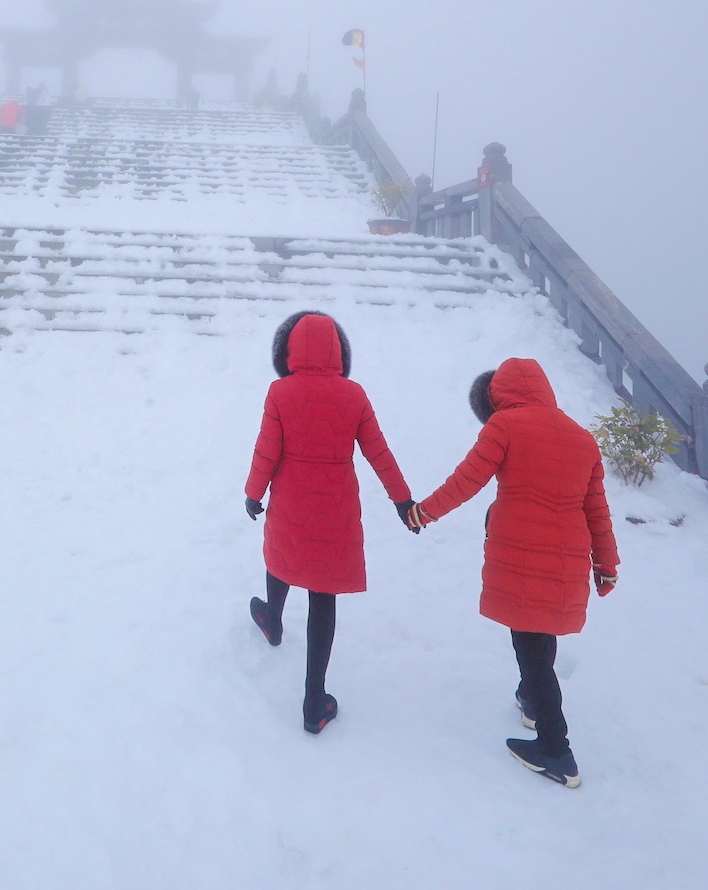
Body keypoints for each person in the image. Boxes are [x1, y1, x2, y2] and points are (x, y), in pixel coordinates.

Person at [406, 358, 619, 787]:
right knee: (540, 632)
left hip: (523, 554)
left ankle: (556, 751)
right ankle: (532, 703)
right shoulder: (581, 438)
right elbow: (596, 508)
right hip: (566, 556)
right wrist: (606, 565)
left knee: (530, 645)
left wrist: (423, 512)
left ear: (498, 395)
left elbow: (467, 480)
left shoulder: (504, 426)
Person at [244, 311, 417, 734]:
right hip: (336, 509)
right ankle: (314, 699)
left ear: (290, 350)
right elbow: (379, 453)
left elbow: (266, 449)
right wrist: (403, 500)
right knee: (323, 597)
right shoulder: (353, 395)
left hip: (290, 498)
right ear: (339, 351)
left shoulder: (280, 392)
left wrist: (253, 492)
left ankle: (272, 618)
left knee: (281, 553)